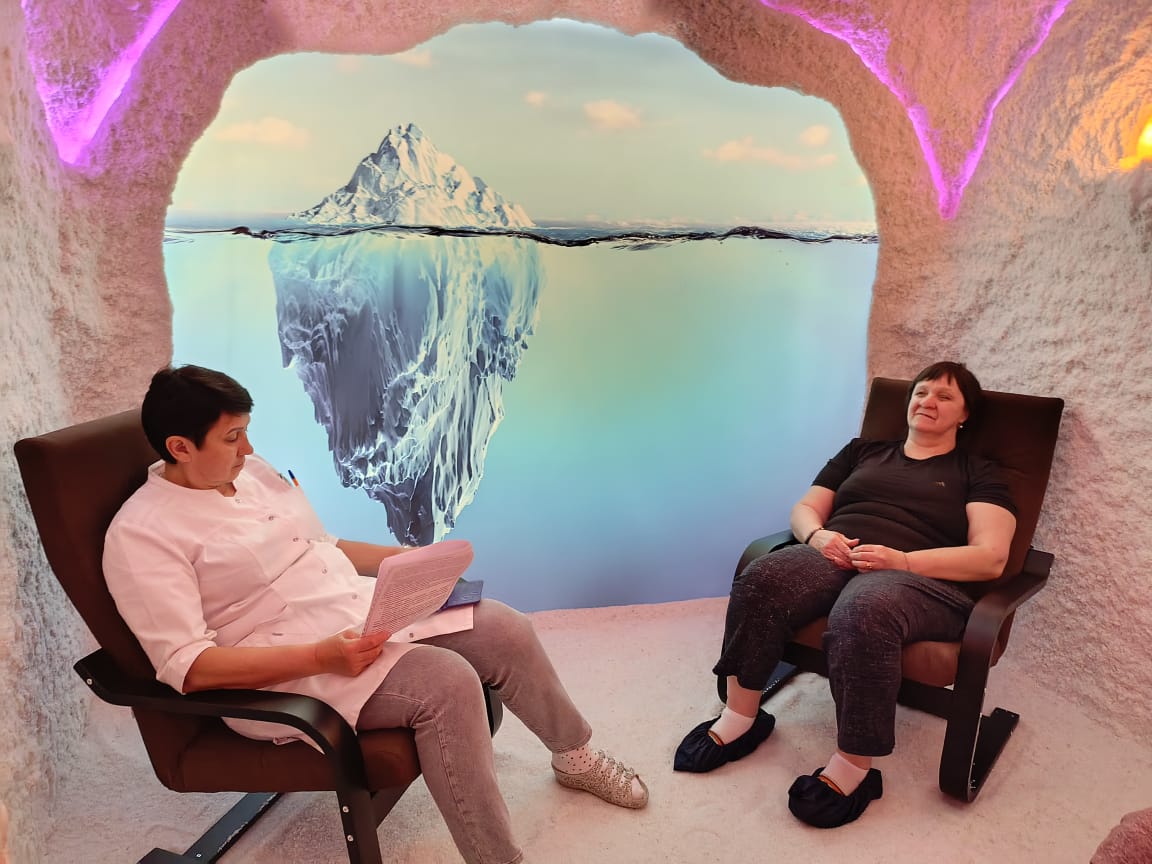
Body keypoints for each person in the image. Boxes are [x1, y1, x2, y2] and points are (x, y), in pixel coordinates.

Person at [103, 364, 648, 864]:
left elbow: (320, 545)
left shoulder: (250, 473)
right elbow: (189, 666)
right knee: (448, 685)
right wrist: (322, 657)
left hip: (353, 612)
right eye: (232, 438)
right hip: (287, 670)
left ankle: (574, 758)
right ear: (180, 447)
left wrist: (408, 560)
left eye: (245, 432)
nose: (248, 448)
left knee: (504, 628)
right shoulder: (142, 535)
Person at [673, 361, 1017, 828]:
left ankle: (855, 768)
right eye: (921, 392)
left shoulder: (977, 471)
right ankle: (741, 717)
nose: (927, 401)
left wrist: (904, 561)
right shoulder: (862, 451)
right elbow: (805, 508)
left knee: (865, 609)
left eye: (944, 396)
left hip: (921, 578)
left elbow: (990, 557)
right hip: (838, 554)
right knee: (763, 577)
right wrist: (817, 537)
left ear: (965, 415)